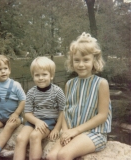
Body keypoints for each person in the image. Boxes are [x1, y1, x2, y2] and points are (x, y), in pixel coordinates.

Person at [46, 32, 112, 160]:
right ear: (72, 61)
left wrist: (75, 131)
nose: (81, 64)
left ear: (94, 60)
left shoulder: (101, 84)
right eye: (77, 60)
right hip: (71, 131)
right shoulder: (70, 84)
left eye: (86, 60)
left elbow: (102, 116)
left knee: (64, 155)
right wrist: (65, 131)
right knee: (51, 156)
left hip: (94, 133)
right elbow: (65, 111)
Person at [13, 56, 66, 160]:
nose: (41, 78)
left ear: (51, 76)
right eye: (37, 75)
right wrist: (36, 121)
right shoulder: (31, 92)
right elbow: (27, 113)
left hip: (49, 122)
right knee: (20, 138)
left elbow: (63, 111)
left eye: (44, 74)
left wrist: (56, 129)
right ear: (33, 76)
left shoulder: (57, 91)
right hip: (33, 121)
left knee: (34, 136)